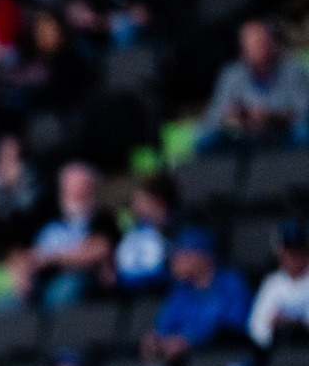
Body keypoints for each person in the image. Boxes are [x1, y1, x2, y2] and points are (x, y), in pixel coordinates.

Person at [197, 20, 309, 152]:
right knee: (206, 141)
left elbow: (304, 111)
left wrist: (271, 116)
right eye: (251, 45)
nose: (257, 49)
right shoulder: (231, 74)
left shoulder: (293, 70)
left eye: (261, 43)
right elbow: (213, 118)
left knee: (303, 133)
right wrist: (235, 117)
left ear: (271, 43)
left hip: (283, 134)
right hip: (244, 137)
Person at [143, 228, 251, 363]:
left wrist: (190, 340)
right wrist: (155, 341)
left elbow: (234, 326)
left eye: (181, 255)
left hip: (224, 358)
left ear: (202, 256)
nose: (174, 261)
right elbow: (162, 329)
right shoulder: (180, 291)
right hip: (185, 364)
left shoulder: (231, 282)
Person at [24, 162, 119, 311]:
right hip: (42, 282)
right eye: (68, 188)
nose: (72, 193)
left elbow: (99, 249)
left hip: (81, 281)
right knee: (4, 306)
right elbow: (30, 253)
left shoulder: (103, 220)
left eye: (79, 188)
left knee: (61, 292)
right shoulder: (50, 223)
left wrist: (54, 258)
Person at [249, 221, 309, 349]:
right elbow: (256, 328)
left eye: (298, 252)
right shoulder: (272, 283)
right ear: (280, 255)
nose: (294, 258)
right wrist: (274, 326)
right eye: (289, 252)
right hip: (278, 351)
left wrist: (294, 324)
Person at [115, 174, 179, 292]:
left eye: (140, 200)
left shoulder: (180, 229)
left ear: (157, 201)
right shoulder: (134, 231)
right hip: (132, 294)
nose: (135, 207)